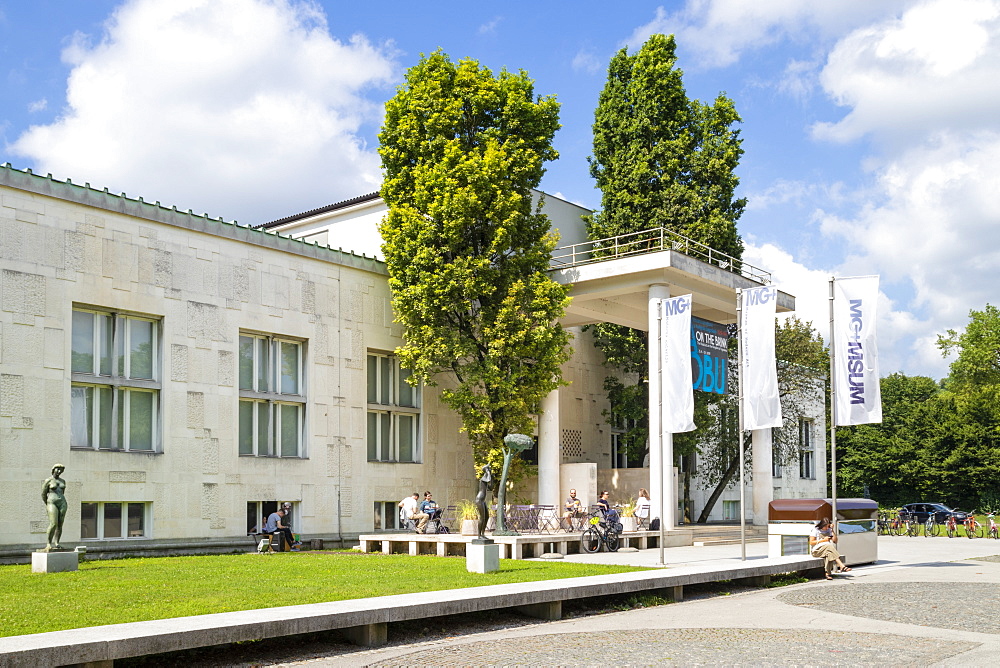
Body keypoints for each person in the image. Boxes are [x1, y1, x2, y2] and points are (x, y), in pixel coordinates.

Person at [42, 464, 68, 552]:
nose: (59, 471)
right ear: (53, 469)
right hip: (51, 502)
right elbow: (43, 494)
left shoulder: (63, 481)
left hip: (62, 502)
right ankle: (48, 543)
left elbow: (62, 492)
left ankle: (57, 543)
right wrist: (48, 503)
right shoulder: (48, 480)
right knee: (53, 523)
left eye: (61, 470)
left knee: (60, 524)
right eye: (58, 469)